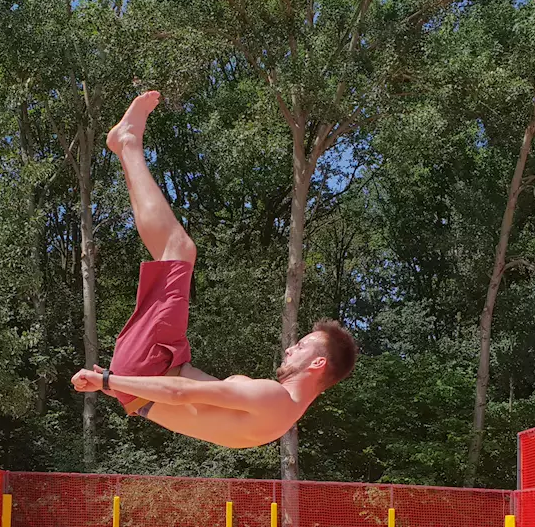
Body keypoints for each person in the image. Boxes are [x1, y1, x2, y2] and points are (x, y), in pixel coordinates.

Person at [71, 90, 359, 449]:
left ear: (317, 363)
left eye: (300, 346)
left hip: (152, 371)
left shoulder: (275, 398)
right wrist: (122, 386)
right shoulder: (279, 421)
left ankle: (127, 143)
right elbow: (186, 399)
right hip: (152, 376)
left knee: (179, 249)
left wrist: (111, 382)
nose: (289, 349)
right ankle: (125, 147)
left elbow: (179, 393)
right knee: (170, 252)